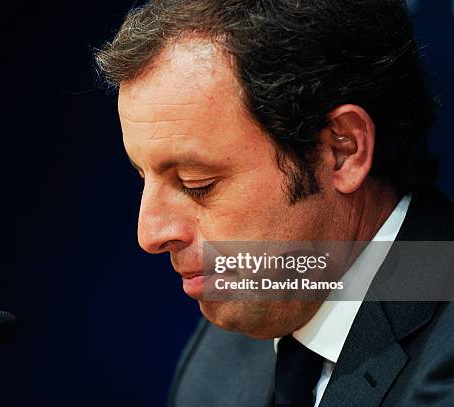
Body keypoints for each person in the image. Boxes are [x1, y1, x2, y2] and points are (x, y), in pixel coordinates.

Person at [94, 1, 454, 405]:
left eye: (198, 184)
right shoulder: (220, 355)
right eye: (143, 177)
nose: (149, 234)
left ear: (343, 150)